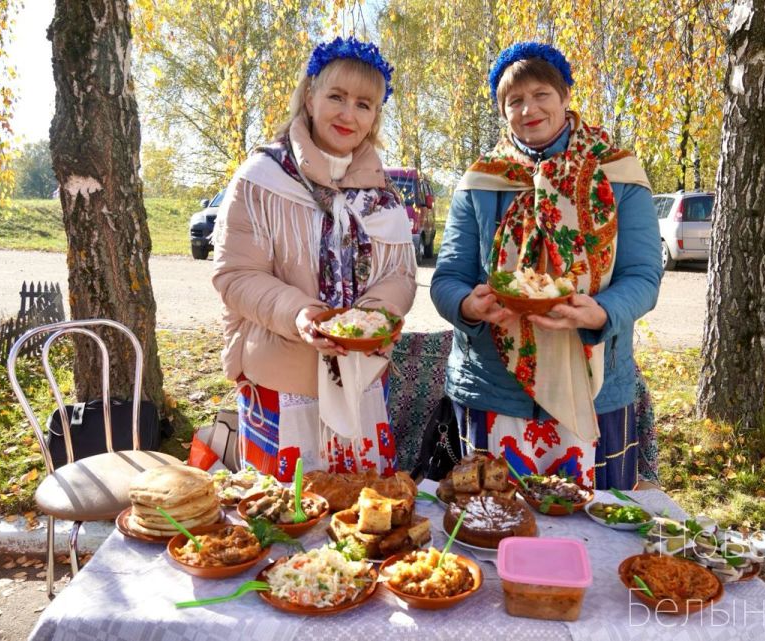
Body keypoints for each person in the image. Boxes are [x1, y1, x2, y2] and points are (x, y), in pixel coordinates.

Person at [431, 42, 662, 490]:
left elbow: (644, 276)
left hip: (594, 388)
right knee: (491, 527)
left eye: (541, 94)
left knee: (590, 539)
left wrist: (604, 312)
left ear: (565, 97)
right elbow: (448, 278)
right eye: (513, 100)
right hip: (494, 391)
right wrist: (467, 306)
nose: (528, 109)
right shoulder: (481, 181)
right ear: (503, 112)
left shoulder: (618, 174)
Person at [212, 37, 417, 481]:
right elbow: (235, 275)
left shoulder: (383, 196)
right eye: (336, 97)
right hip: (283, 382)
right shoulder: (261, 179)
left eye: (364, 104)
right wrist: (300, 313)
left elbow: (400, 274)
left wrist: (373, 319)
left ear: (374, 117)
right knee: (282, 520)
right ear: (309, 96)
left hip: (361, 379)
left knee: (365, 519)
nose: (348, 114)